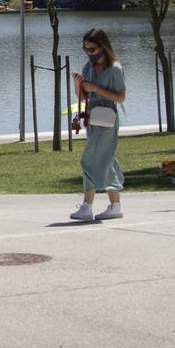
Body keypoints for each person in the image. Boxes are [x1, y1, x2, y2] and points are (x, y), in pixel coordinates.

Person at [69, 28, 126, 221]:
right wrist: (79, 85)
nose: (89, 53)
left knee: (90, 160)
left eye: (92, 49)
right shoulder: (88, 68)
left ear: (102, 47)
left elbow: (120, 97)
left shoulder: (115, 69)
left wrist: (96, 88)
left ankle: (87, 205)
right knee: (107, 159)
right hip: (93, 118)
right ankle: (115, 205)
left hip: (108, 118)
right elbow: (83, 97)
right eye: (86, 49)